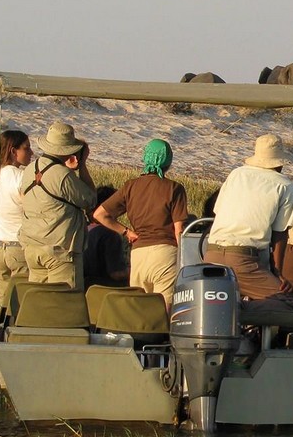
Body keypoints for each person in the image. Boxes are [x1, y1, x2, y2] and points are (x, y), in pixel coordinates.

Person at [203, 134, 293, 312]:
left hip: (211, 254)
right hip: (244, 261)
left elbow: (217, 211)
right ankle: (238, 310)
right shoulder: (286, 186)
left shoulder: (236, 174)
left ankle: (231, 310)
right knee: (291, 304)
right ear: (279, 162)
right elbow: (280, 234)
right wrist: (278, 273)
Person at [94, 139, 188, 308]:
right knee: (164, 309)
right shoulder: (175, 188)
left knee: (139, 309)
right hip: (165, 254)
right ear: (168, 161)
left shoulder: (130, 186)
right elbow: (179, 230)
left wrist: (126, 232)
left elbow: (100, 214)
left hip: (138, 254)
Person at [18, 121, 96, 291]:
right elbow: (90, 199)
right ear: (69, 149)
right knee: (64, 305)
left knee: (40, 303)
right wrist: (81, 166)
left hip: (32, 246)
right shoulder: (63, 175)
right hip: (59, 250)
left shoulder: (30, 169)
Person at [0, 105, 34, 307]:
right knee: (21, 302)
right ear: (13, 150)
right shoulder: (20, 177)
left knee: (2, 301)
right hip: (17, 247)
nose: (31, 153)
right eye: (26, 148)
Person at [84, 185, 130, 288]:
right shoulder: (110, 235)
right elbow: (116, 274)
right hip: (103, 291)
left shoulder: (83, 229)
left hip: (85, 288)